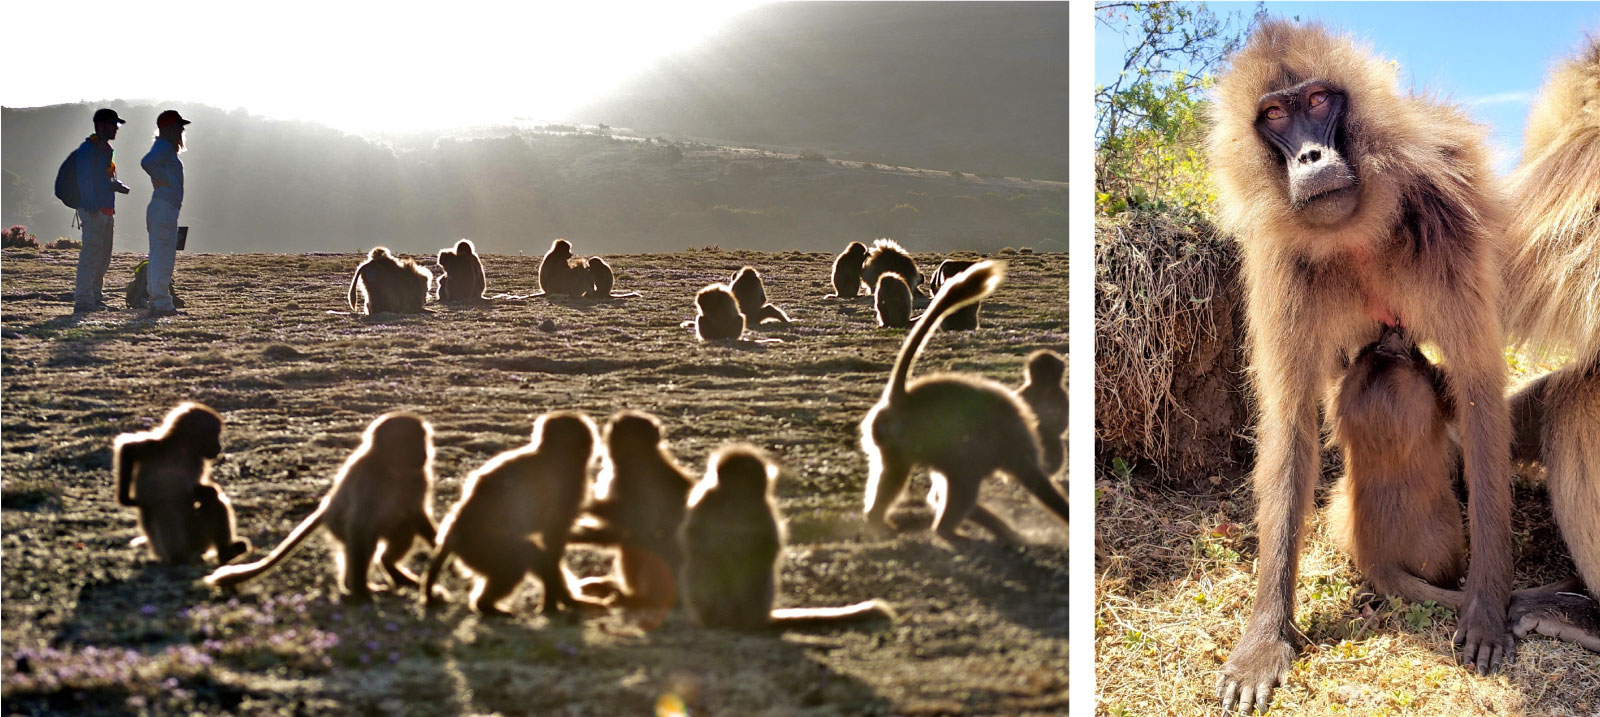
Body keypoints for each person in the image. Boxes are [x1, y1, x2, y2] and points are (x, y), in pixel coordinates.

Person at [73, 108, 131, 313]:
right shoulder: (90, 149)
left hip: (106, 209)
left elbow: (101, 179)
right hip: (94, 210)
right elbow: (85, 180)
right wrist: (92, 207)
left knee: (103, 257)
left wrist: (116, 185)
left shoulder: (104, 149)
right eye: (113, 124)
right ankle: (83, 300)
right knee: (91, 255)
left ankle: (95, 297)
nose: (116, 128)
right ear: (101, 125)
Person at [140, 110, 190, 318]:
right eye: (178, 126)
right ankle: (161, 303)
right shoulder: (163, 147)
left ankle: (158, 300)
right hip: (163, 207)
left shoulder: (166, 149)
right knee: (163, 256)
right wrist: (165, 179)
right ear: (170, 129)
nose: (182, 130)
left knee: (159, 255)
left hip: (163, 207)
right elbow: (147, 162)